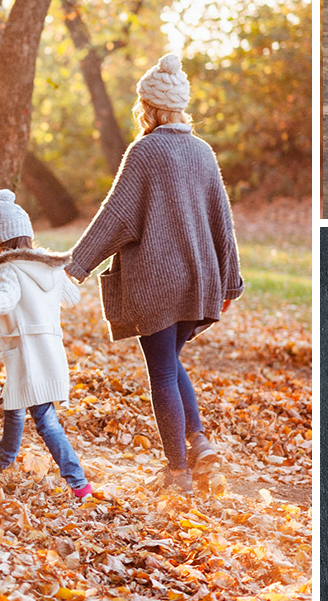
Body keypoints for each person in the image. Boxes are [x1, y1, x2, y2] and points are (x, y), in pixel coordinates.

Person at [65, 53, 244, 495]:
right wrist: (229, 282)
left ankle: (178, 472)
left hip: (158, 284)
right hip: (199, 280)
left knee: (162, 371)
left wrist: (76, 265)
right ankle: (200, 446)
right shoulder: (203, 152)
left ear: (148, 106)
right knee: (171, 361)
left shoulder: (144, 152)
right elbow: (223, 221)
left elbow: (117, 217)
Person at [0, 190, 94, 499]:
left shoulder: (8, 268)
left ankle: (79, 483)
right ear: (28, 236)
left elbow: (7, 299)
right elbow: (73, 299)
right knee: (14, 408)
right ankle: (2, 462)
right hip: (48, 352)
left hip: (28, 356)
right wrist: (57, 272)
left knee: (45, 421)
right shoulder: (50, 267)